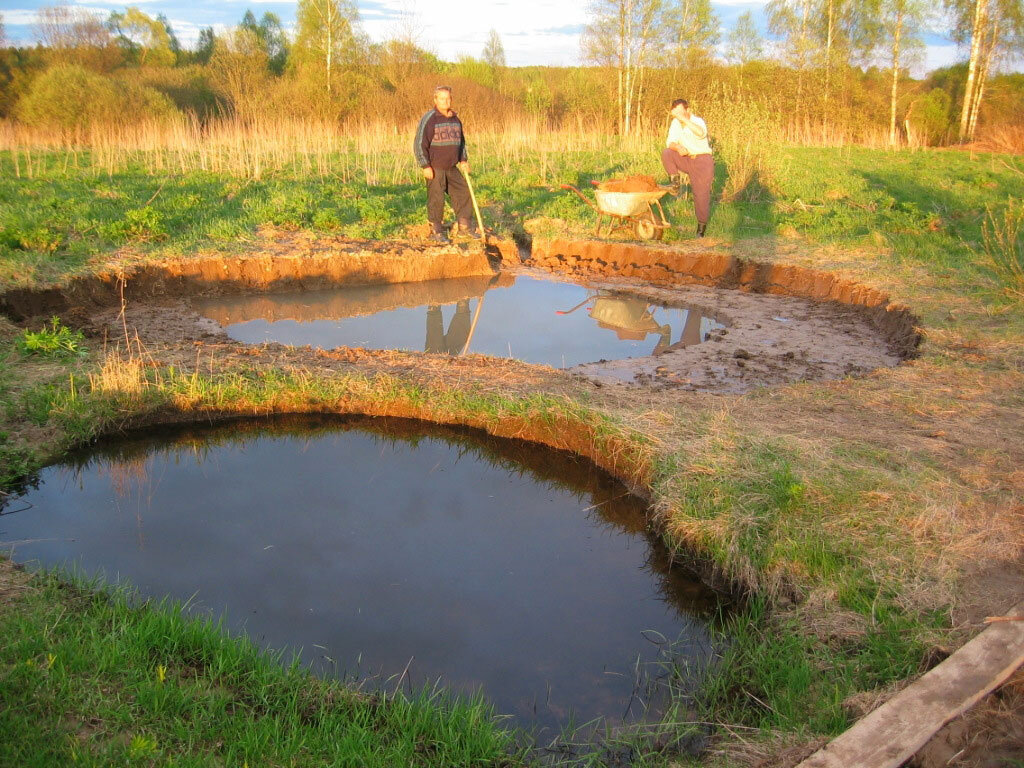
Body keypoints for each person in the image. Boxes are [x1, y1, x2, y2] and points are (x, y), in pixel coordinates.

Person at [414, 86, 478, 243]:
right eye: (442, 98)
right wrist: (425, 165)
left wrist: (463, 160)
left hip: (451, 166)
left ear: (451, 99)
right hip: (435, 167)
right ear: (435, 100)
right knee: (436, 198)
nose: (445, 101)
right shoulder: (430, 118)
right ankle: (436, 231)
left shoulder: (456, 120)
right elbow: (419, 143)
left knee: (463, 193)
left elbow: (461, 142)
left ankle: (464, 228)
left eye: (448, 98)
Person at [660, 99, 714, 238]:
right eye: (676, 112)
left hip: (702, 160)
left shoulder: (697, 121)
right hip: (686, 158)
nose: (678, 115)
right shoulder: (675, 124)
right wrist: (678, 147)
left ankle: (701, 229)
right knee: (667, 153)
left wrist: (685, 119)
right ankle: (675, 183)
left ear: (687, 110)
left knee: (700, 195)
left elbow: (701, 133)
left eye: (680, 111)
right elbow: (670, 142)